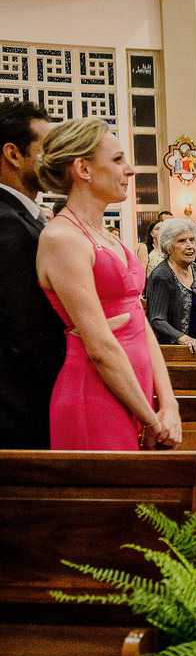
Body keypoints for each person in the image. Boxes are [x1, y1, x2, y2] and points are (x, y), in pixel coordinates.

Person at [34, 118, 182, 450]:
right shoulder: (62, 237)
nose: (129, 170)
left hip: (135, 390)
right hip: (95, 391)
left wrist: (168, 403)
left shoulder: (107, 236)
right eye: (117, 160)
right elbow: (100, 347)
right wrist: (151, 419)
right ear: (83, 168)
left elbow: (138, 319)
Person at [0, 100, 65, 449]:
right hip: (20, 414)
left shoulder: (25, 218)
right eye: (48, 148)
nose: (57, 159)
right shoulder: (7, 224)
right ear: (13, 154)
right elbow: (29, 334)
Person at [145, 219, 196, 353]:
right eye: (182, 241)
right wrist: (184, 339)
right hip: (179, 352)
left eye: (192, 240)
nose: (190, 246)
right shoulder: (162, 275)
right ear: (168, 247)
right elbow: (157, 320)